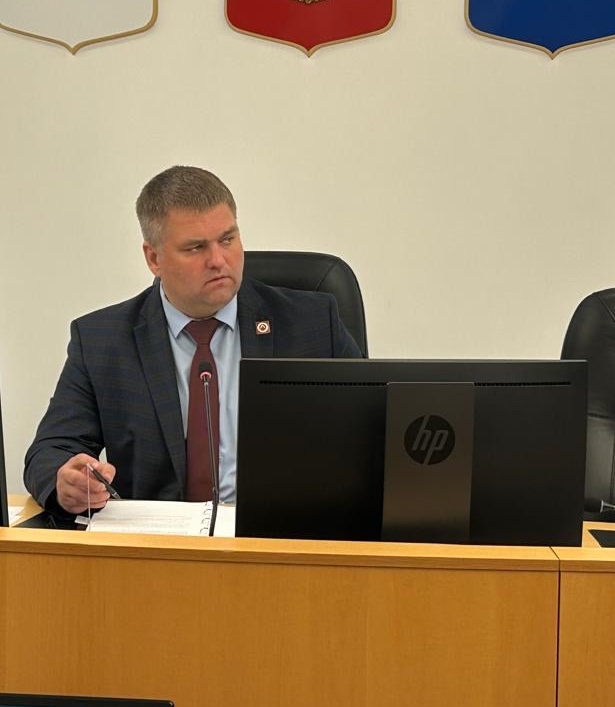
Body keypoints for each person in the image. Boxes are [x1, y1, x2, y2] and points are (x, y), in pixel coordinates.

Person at [24, 165, 362, 515]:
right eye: (196, 247)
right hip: (159, 539)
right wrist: (68, 482)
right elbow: (50, 451)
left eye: (227, 239)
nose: (218, 260)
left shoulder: (311, 323)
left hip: (281, 532)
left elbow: (372, 431)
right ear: (154, 258)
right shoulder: (103, 341)